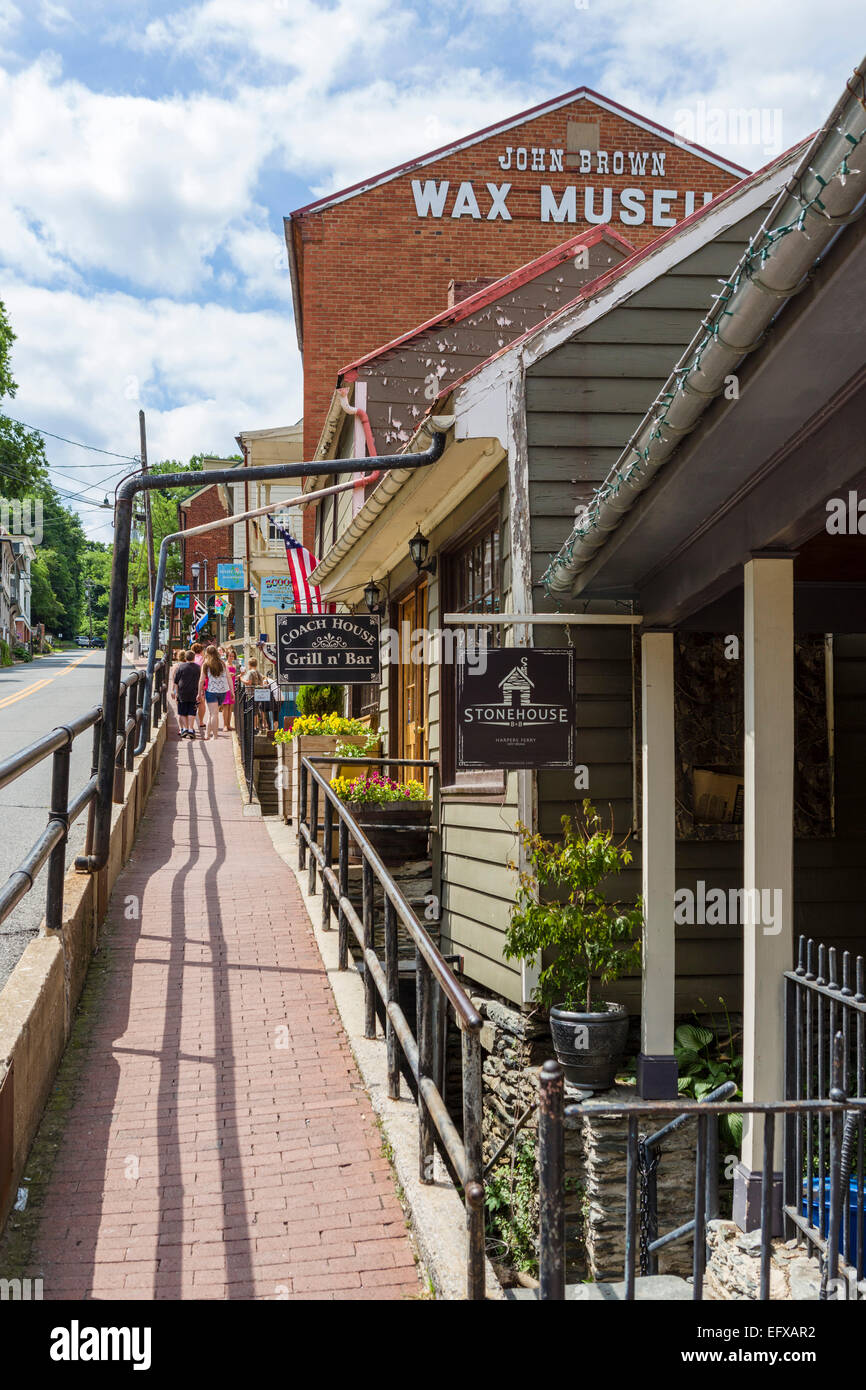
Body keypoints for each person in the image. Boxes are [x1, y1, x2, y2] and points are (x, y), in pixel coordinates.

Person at [199, 645, 230, 740]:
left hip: (211, 691)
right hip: (223, 691)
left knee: (213, 714)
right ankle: (207, 734)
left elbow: (201, 680)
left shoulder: (206, 664)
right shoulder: (223, 663)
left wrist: (199, 693)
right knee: (212, 713)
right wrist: (232, 691)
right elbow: (228, 678)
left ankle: (215, 736)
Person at [172, 651, 201, 739]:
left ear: (185, 657)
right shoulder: (198, 668)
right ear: (194, 658)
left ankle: (184, 729)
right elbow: (201, 681)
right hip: (194, 692)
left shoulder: (181, 667)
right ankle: (191, 729)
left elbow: (176, 681)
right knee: (192, 711)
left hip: (182, 692)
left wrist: (175, 693)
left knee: (182, 712)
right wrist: (200, 692)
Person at [242, 657, 269, 733]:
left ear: (249, 664)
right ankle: (256, 726)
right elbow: (261, 683)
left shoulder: (250, 672)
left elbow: (249, 682)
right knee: (256, 710)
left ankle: (254, 727)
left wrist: (241, 679)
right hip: (258, 693)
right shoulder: (258, 672)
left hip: (251, 694)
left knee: (253, 711)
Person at [221, 646, 237, 732]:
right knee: (225, 706)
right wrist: (228, 676)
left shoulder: (234, 665)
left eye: (233, 656)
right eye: (230, 656)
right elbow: (221, 676)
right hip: (226, 687)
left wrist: (240, 675)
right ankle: (224, 725)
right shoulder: (224, 665)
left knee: (231, 707)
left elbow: (236, 677)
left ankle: (228, 724)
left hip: (232, 687)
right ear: (227, 656)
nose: (231, 657)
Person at [190, 641, 206, 731]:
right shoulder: (203, 659)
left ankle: (190, 724)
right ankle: (201, 722)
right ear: (201, 650)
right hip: (200, 682)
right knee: (201, 702)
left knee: (191, 703)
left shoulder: (190, 658)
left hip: (190, 683)